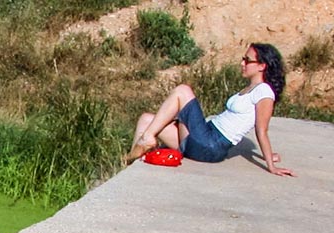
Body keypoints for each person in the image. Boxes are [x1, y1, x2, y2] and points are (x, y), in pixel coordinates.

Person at [125, 43, 294, 177]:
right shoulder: (251, 88)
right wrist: (268, 155)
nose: (242, 64)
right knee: (146, 119)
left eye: (247, 60)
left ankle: (147, 139)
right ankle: (130, 167)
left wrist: (271, 165)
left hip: (211, 145)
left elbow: (262, 130)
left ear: (262, 66)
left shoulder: (264, 91)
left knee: (183, 91)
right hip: (205, 137)